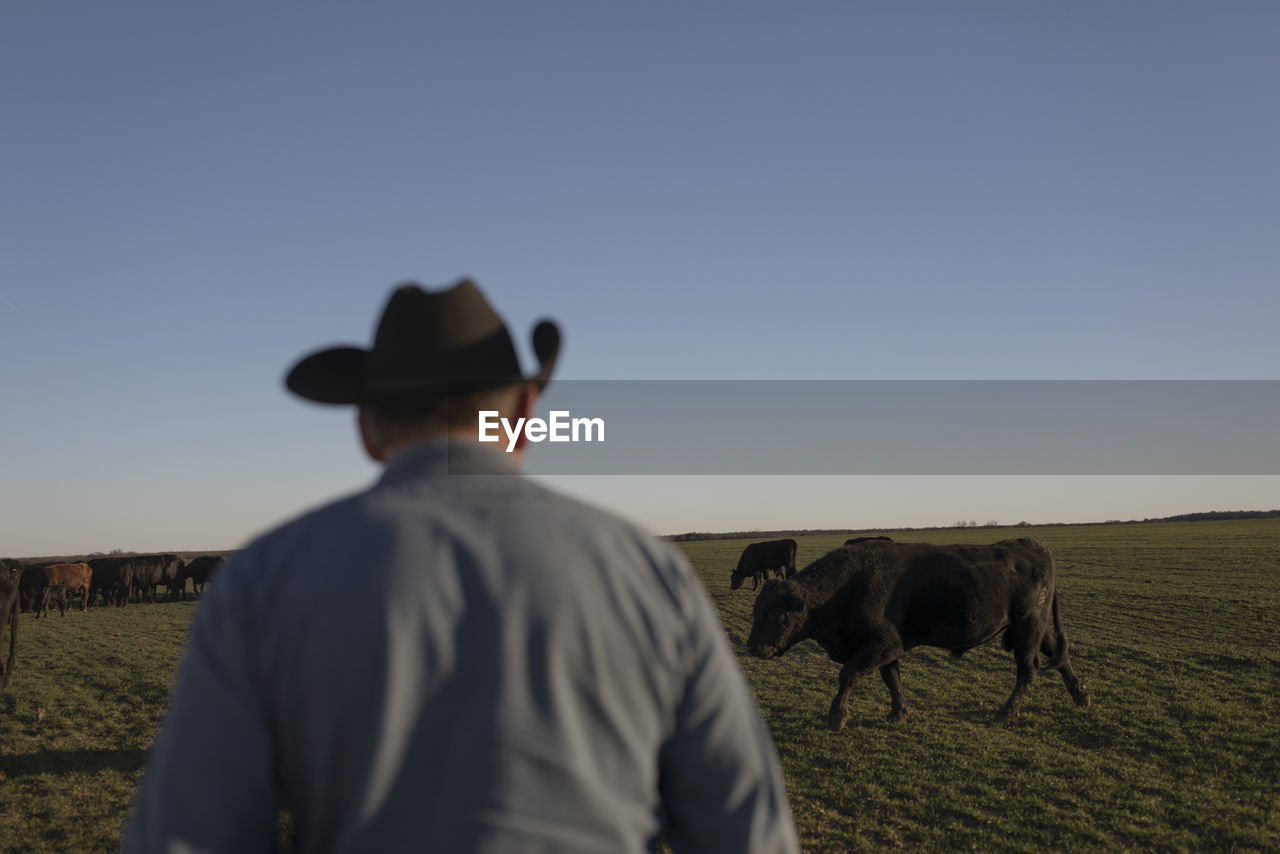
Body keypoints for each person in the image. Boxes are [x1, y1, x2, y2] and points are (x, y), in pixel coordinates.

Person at [122, 279, 799, 853]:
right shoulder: (650, 573)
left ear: (365, 427)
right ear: (527, 413)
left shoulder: (260, 581)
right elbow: (748, 831)